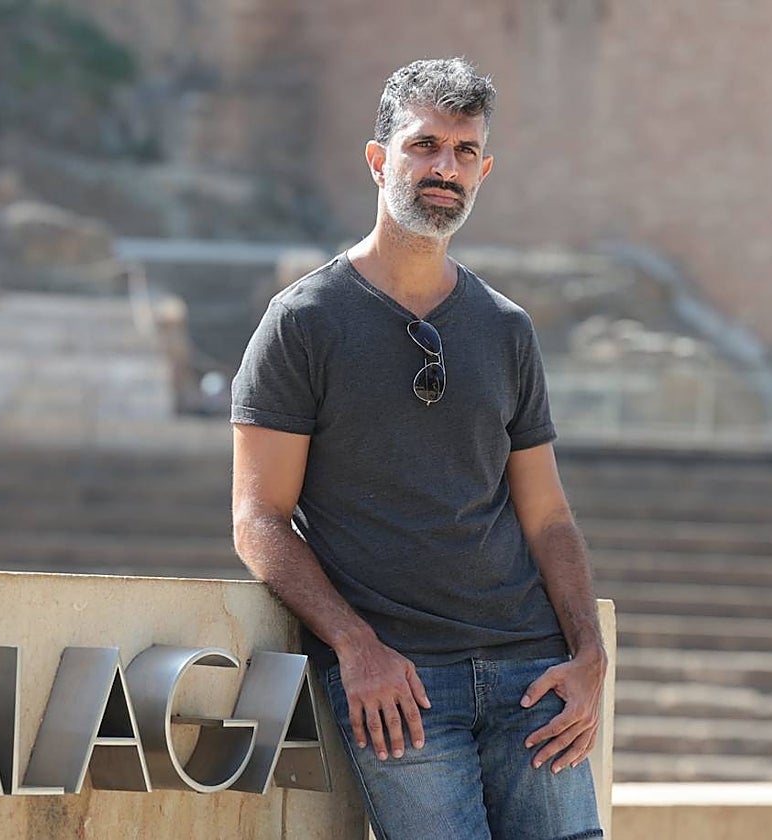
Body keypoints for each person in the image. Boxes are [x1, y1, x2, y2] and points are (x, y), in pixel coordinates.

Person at [230, 57, 605, 840]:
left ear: (484, 170)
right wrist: (355, 647)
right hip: (399, 685)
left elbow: (549, 518)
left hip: (533, 675)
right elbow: (259, 518)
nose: (445, 168)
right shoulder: (304, 321)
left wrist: (590, 656)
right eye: (424, 145)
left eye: (465, 152)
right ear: (379, 159)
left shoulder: (505, 328)